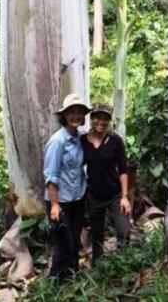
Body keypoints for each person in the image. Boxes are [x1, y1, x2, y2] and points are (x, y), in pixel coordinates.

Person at [43, 94, 92, 279]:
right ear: (64, 115)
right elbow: (50, 175)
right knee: (65, 245)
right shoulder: (58, 141)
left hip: (77, 199)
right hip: (60, 202)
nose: (76, 116)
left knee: (75, 242)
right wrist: (55, 205)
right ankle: (53, 285)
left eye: (79, 112)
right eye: (71, 112)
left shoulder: (80, 138)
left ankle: (72, 278)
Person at [81, 103, 132, 265]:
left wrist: (125, 196)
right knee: (97, 235)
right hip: (94, 196)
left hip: (115, 194)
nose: (101, 122)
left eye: (105, 118)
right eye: (98, 118)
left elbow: (123, 169)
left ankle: (124, 264)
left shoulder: (115, 141)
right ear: (92, 119)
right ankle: (98, 268)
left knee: (123, 230)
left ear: (109, 120)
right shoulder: (82, 141)